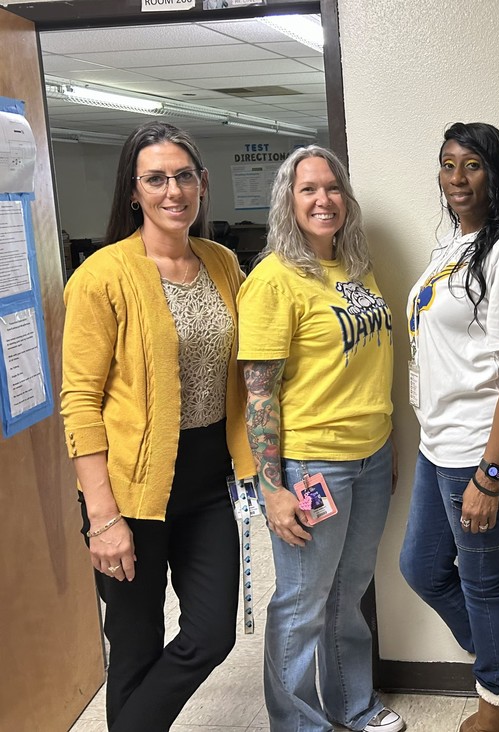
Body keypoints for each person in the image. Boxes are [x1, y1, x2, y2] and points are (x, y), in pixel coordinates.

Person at [60, 121, 255, 731]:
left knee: (211, 635)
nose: (173, 191)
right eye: (156, 179)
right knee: (136, 646)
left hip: (206, 486)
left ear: (202, 184)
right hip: (129, 493)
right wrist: (103, 517)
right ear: (134, 191)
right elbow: (79, 403)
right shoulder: (102, 276)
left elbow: (255, 357)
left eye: (184, 176)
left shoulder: (222, 263)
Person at [237, 145, 403, 732]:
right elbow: (259, 393)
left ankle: (351, 706)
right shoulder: (273, 281)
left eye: (332, 187)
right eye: (308, 189)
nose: (323, 199)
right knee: (303, 601)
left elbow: (374, 363)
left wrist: (388, 448)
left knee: (350, 591)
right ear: (288, 200)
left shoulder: (358, 268)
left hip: (370, 453)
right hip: (314, 467)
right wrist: (272, 490)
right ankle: (297, 723)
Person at [399, 122, 499, 732]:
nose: (457, 179)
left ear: (497, 173)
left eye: (473, 166)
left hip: (483, 445)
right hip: (441, 442)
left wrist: (490, 472)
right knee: (421, 567)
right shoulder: (454, 246)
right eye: (447, 165)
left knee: (484, 582)